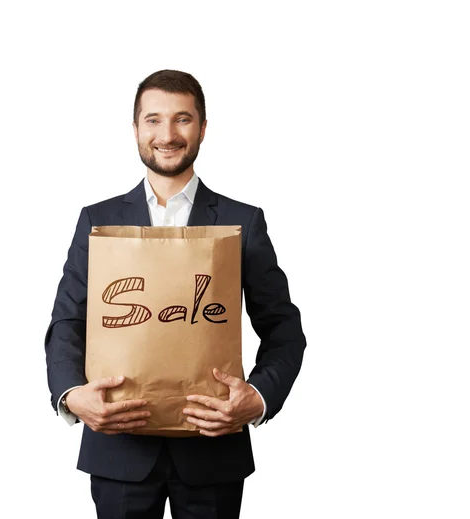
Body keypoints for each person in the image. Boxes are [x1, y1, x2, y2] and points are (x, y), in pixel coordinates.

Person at [45, 69, 306, 519]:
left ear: (203, 128)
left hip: (213, 452)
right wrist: (71, 394)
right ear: (135, 129)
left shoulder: (243, 222)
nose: (167, 134)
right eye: (153, 120)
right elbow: (68, 321)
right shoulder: (97, 221)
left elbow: (284, 329)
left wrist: (257, 399)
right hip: (118, 449)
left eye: (182, 119)